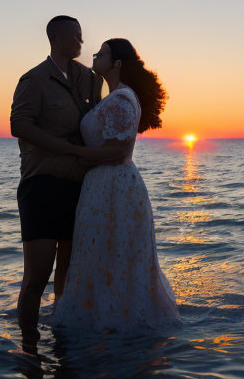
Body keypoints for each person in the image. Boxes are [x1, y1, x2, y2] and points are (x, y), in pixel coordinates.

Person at [10, 16, 129, 343]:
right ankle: (29, 351)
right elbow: (19, 124)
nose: (81, 42)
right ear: (58, 38)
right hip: (43, 186)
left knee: (68, 275)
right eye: (76, 36)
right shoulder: (34, 80)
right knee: (36, 277)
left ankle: (63, 346)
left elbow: (100, 119)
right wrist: (63, 148)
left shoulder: (89, 79)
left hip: (80, 188)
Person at [52, 38, 181, 331]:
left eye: (102, 53)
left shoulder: (122, 99)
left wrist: (72, 152)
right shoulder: (113, 97)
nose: (95, 56)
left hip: (115, 188)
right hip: (102, 185)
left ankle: (116, 326)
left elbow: (117, 151)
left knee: (114, 255)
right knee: (102, 254)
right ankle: (101, 321)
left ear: (118, 63)